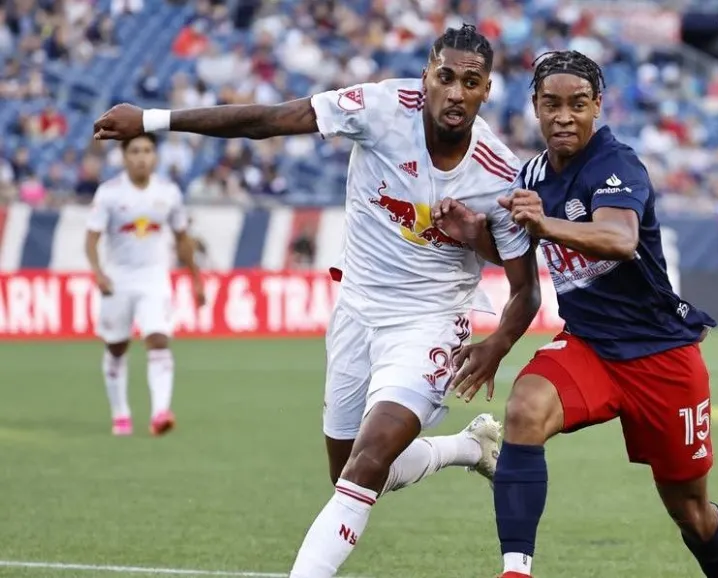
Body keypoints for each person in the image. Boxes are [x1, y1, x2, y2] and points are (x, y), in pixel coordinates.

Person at [93, 25, 541, 578]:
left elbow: (526, 287)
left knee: (367, 463)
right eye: (445, 77)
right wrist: (152, 119)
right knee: (352, 469)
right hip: (355, 309)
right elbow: (270, 120)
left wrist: (496, 340)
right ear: (426, 75)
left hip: (430, 321)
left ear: (487, 90)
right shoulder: (379, 107)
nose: (455, 92)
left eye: (470, 83)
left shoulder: (499, 173)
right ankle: (468, 449)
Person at [436, 50, 718, 578]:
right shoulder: (531, 175)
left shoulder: (616, 164)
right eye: (550, 104)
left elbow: (619, 239)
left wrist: (545, 225)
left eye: (577, 104)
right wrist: (474, 236)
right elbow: (520, 265)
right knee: (524, 409)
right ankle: (515, 571)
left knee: (692, 513)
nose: (563, 117)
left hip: (660, 354)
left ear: (597, 105)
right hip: (589, 347)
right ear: (534, 105)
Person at [84, 133, 205, 436]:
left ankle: (160, 412)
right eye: (135, 151)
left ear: (156, 156)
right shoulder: (109, 193)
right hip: (118, 278)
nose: (142, 157)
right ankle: (121, 414)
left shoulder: (169, 192)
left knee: (158, 339)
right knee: (116, 346)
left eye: (148, 151)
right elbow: (91, 239)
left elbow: (182, 239)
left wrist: (196, 278)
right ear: (124, 157)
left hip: (154, 277)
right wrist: (98, 272)